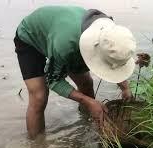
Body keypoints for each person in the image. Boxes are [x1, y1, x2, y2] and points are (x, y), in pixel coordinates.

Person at [13, 6, 136, 139]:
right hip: (31, 37)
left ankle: (87, 125)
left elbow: (113, 60)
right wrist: (89, 102)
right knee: (39, 97)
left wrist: (125, 87)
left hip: (63, 34)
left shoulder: (111, 34)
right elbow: (53, 80)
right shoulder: (66, 45)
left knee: (86, 83)